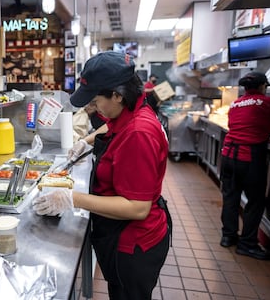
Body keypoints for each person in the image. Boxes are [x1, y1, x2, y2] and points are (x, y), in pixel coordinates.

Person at [32, 51, 172, 299]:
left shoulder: (140, 134)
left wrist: (70, 198)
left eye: (96, 101)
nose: (93, 107)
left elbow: (138, 207)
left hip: (134, 242)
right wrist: (86, 141)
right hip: (120, 233)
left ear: (117, 95)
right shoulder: (131, 111)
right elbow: (112, 126)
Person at [220, 71, 270, 260]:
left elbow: (234, 125)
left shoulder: (235, 104)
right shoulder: (269, 103)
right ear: (262, 87)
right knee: (255, 202)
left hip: (228, 155)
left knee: (231, 197)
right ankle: (247, 244)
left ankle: (228, 237)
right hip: (249, 157)